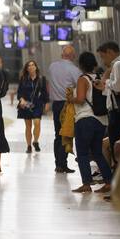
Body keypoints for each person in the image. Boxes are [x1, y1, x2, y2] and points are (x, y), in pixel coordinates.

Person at [71, 51, 113, 194]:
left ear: (81, 65)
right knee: (97, 153)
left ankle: (86, 184)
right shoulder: (99, 77)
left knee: (82, 153)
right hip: (101, 121)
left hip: (85, 120)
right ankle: (108, 182)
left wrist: (71, 99)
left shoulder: (83, 79)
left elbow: (81, 99)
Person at [47, 45, 81, 174]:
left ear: (62, 55)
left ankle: (59, 164)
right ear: (73, 56)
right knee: (67, 134)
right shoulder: (74, 70)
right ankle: (64, 163)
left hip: (56, 105)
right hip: (68, 105)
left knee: (58, 134)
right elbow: (79, 87)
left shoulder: (52, 66)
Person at [95, 41, 120, 164]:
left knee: (117, 147)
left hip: (119, 113)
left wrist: (107, 82)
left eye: (103, 56)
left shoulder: (118, 64)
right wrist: (105, 87)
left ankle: (118, 177)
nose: (103, 61)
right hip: (119, 111)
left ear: (110, 52)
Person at [14, 60, 48, 153]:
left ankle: (35, 141)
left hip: (37, 104)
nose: (31, 67)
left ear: (36, 67)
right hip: (26, 104)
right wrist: (22, 100)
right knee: (28, 126)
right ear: (27, 68)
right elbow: (19, 93)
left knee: (37, 122)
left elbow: (45, 92)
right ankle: (29, 146)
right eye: (29, 66)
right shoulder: (23, 79)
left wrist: (46, 103)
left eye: (33, 65)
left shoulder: (41, 79)